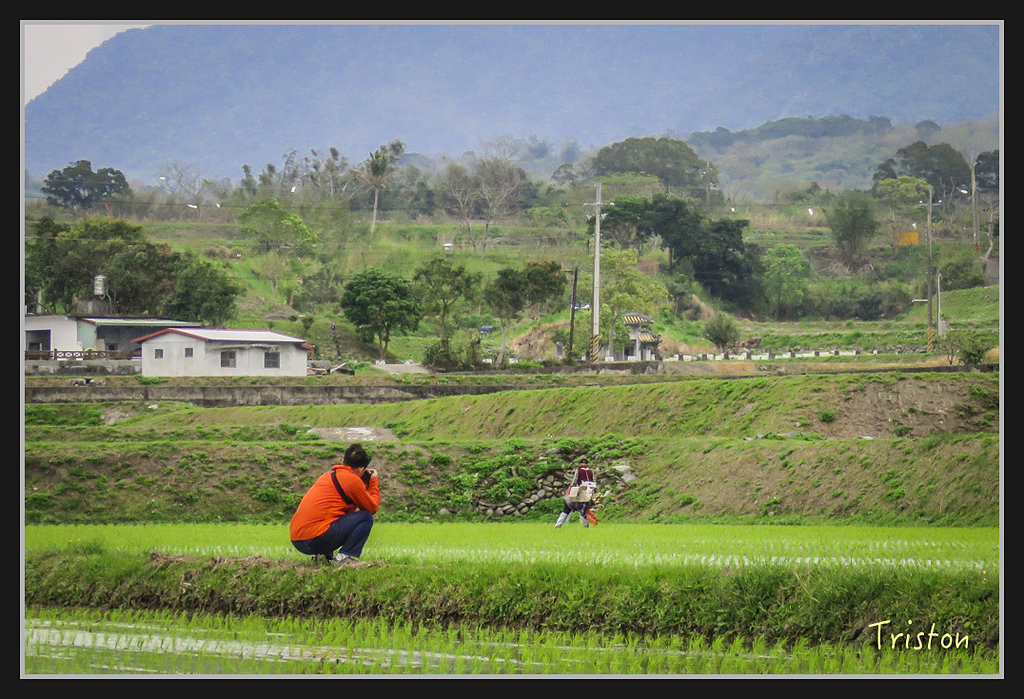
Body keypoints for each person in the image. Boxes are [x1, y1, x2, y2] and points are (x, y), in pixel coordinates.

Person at [290, 443, 380, 565]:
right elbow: (372, 508)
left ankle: (322, 558)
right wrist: (373, 481)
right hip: (313, 539)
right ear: (360, 470)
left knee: (332, 517)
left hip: (298, 539)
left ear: (343, 460)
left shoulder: (328, 476)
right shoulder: (352, 480)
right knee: (365, 517)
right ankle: (345, 557)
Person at [555, 458, 598, 528]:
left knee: (567, 509)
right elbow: (594, 482)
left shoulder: (578, 470)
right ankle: (586, 525)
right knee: (584, 509)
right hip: (588, 493)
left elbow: (574, 481)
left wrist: (569, 490)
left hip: (579, 492)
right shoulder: (591, 472)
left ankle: (558, 524)